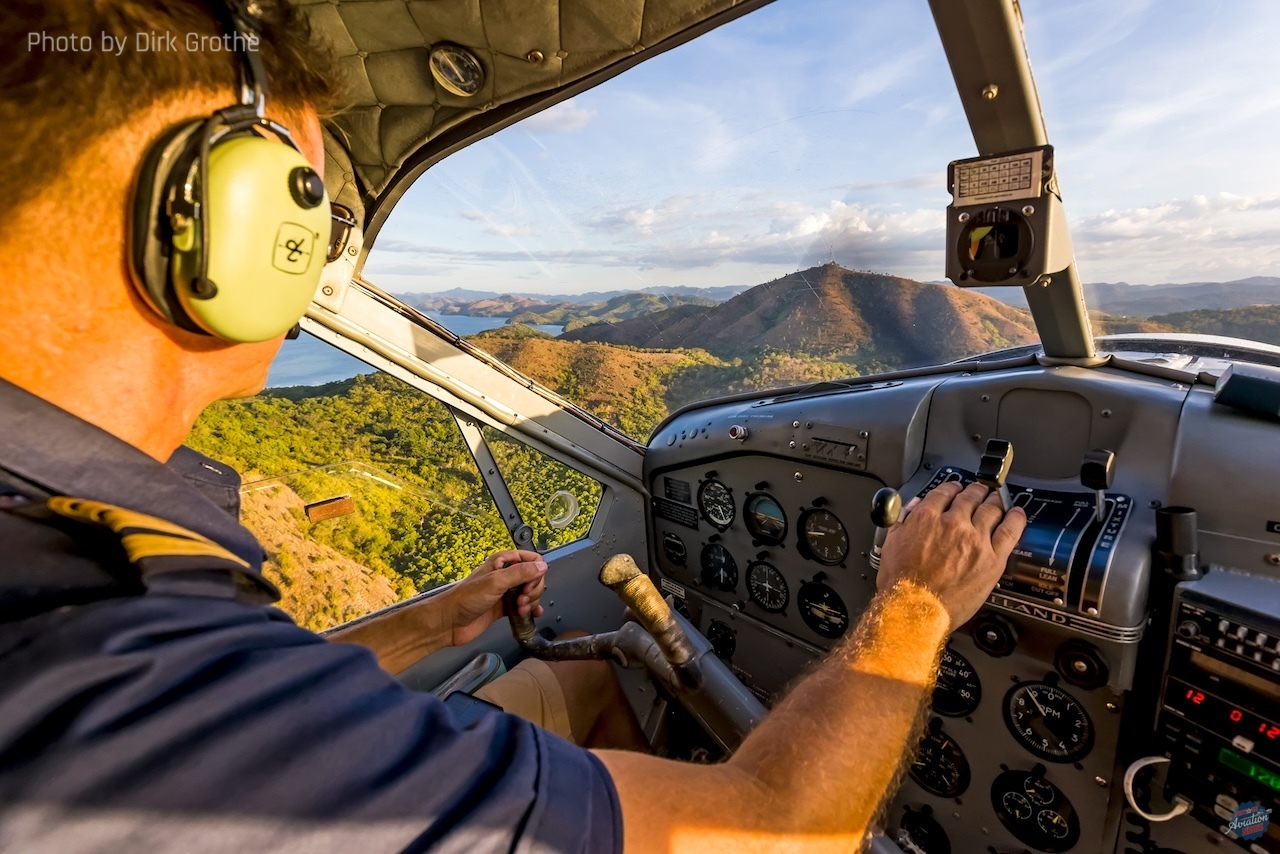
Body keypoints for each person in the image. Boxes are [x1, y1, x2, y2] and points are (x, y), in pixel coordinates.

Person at [0, 2, 1027, 852]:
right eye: (312, 209)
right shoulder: (131, 668)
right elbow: (786, 825)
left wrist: (423, 620)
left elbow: (263, 687)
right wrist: (915, 599)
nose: (317, 252)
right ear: (223, 220)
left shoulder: (80, 568)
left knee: (585, 673)